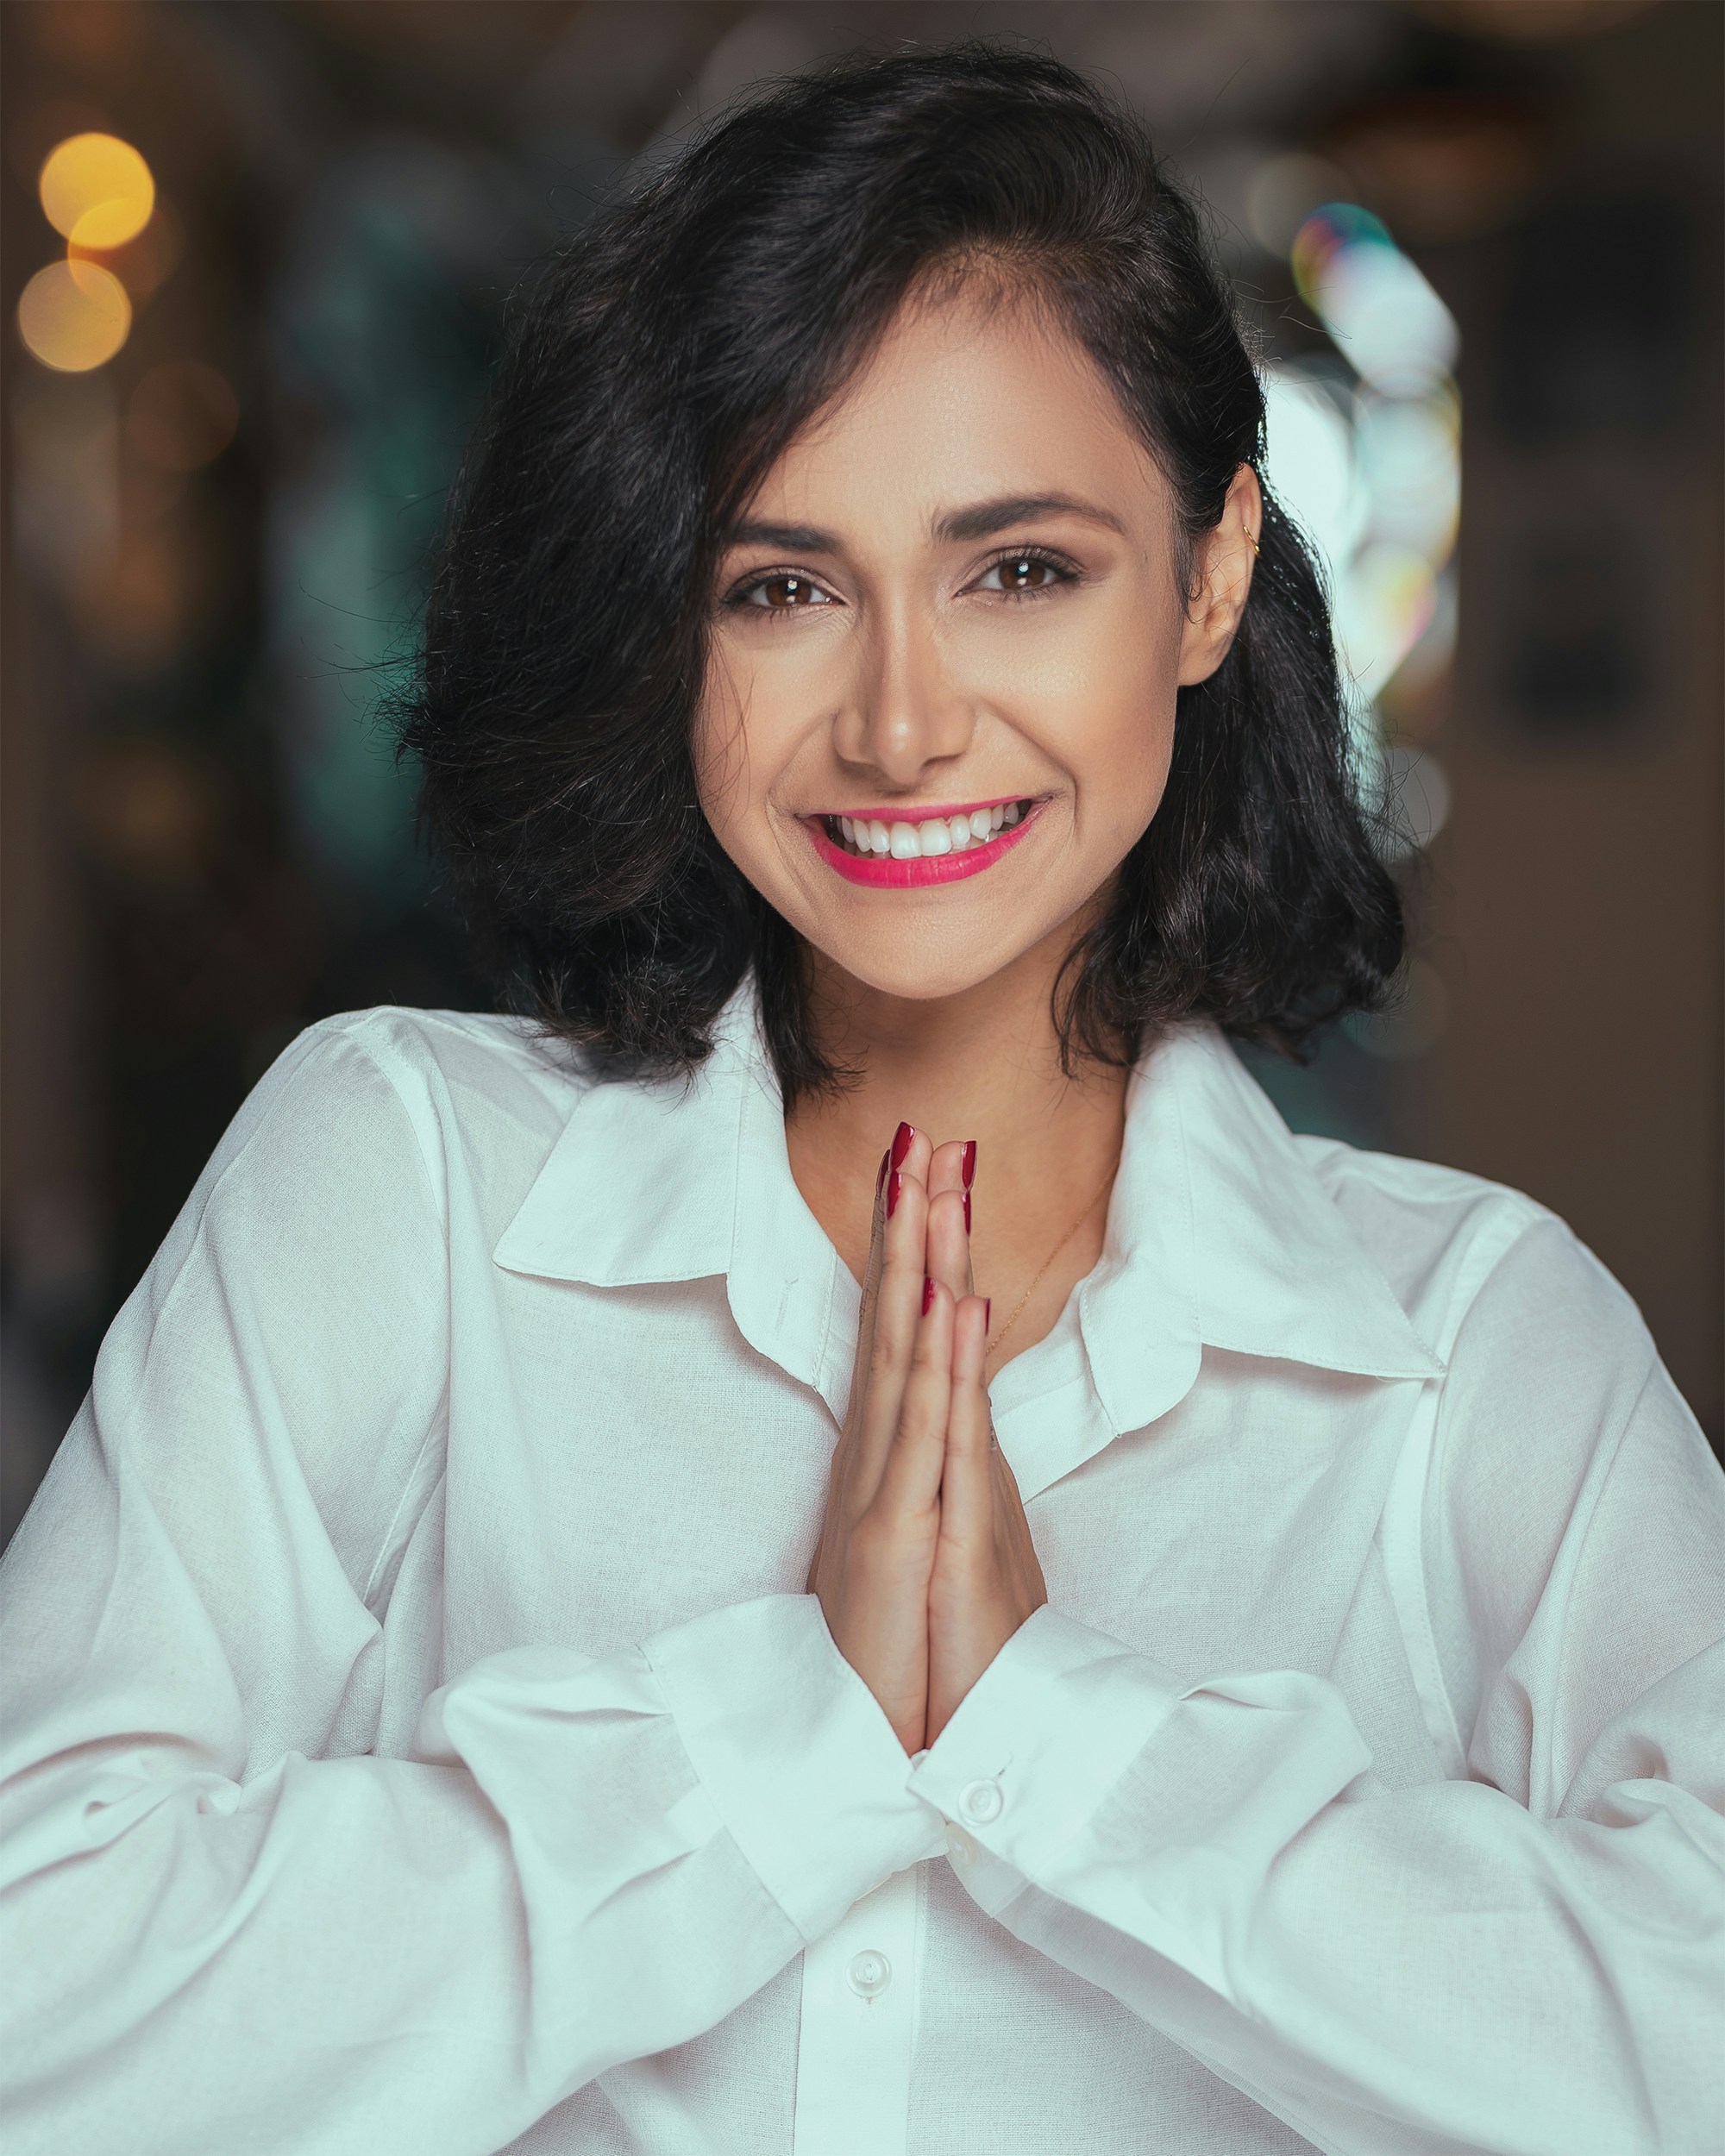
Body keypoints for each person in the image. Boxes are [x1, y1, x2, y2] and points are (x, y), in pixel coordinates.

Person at [2, 44, 1720, 2156]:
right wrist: (773, 1744)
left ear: (1201, 577)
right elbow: (39, 2019)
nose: (903, 720)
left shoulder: (1468, 1350)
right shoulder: (404, 1183)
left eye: (1018, 569)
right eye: (784, 584)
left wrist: (1065, 1741)